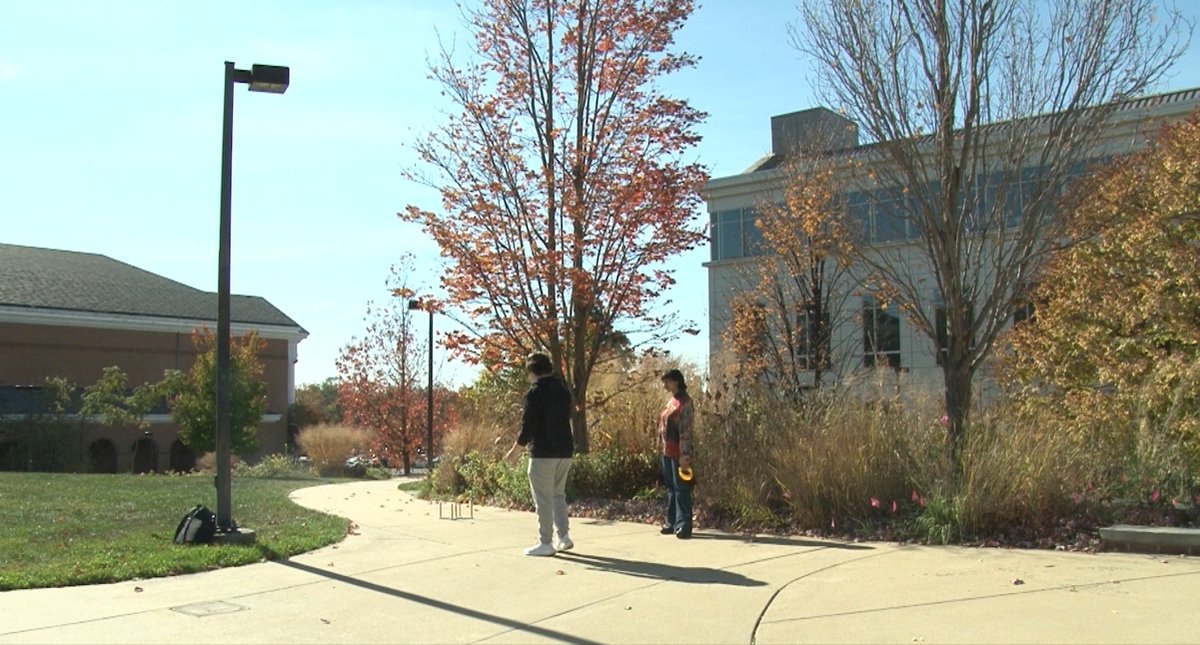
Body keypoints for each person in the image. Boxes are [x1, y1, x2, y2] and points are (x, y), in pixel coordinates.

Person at [504, 352, 575, 556]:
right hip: (565, 450)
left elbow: (529, 426)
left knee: (543, 498)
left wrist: (515, 451)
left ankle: (545, 542)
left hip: (544, 453)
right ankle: (563, 536)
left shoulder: (534, 393)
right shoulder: (562, 391)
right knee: (557, 494)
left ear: (532, 371)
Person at [657, 368, 695, 539]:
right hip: (667, 450)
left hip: (679, 452)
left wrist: (685, 455)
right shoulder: (672, 401)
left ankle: (684, 524)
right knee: (671, 488)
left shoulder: (685, 402)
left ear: (676, 381)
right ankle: (671, 521)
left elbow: (686, 430)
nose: (665, 384)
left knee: (681, 488)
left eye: (667, 381)